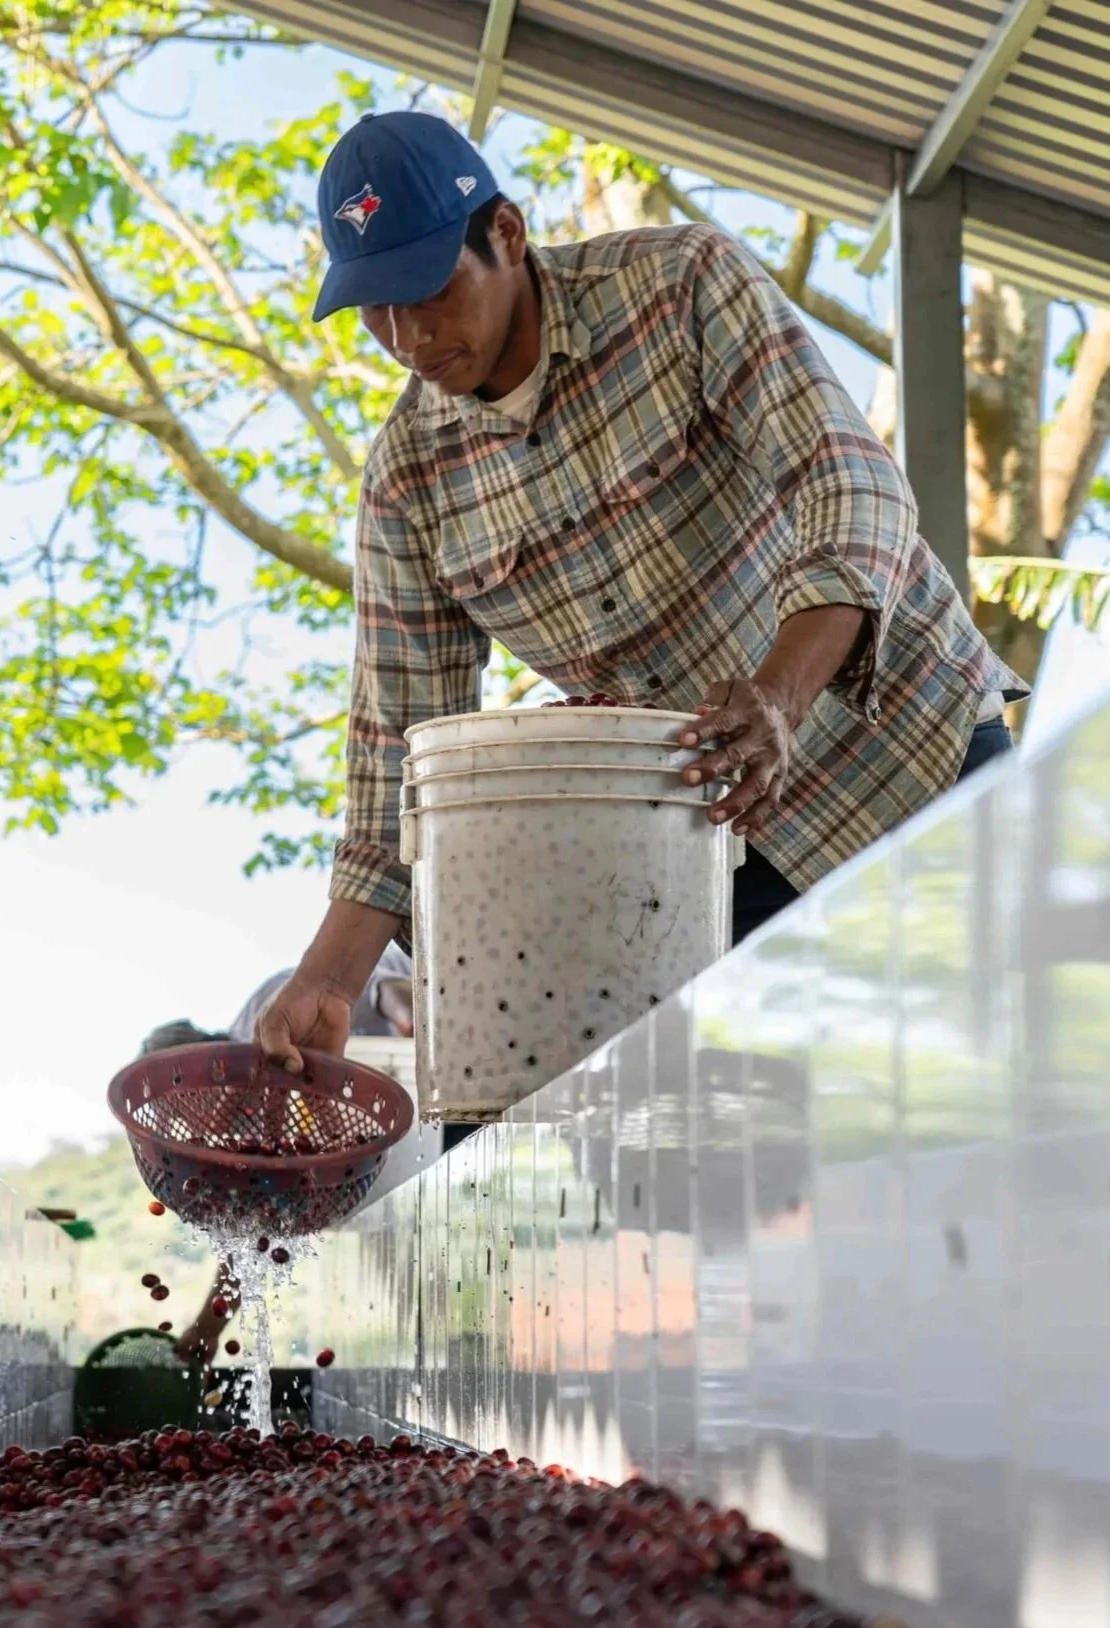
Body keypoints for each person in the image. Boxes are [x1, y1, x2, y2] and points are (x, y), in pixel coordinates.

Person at [256, 111, 1025, 1072]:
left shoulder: (679, 286)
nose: (408, 337)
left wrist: (780, 696)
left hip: (913, 756)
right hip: (720, 853)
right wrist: (328, 983)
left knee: (1014, 1082)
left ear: (505, 233)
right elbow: (395, 758)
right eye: (375, 310)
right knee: (805, 1150)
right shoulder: (408, 481)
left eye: (429, 290)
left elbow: (849, 481)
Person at [136, 944, 416, 1363]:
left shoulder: (265, 1024)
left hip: (427, 1013)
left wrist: (413, 1019)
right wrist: (207, 1330)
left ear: (204, 1072)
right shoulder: (239, 1132)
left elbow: (382, 988)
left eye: (182, 1108)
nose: (191, 1128)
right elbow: (255, 1228)